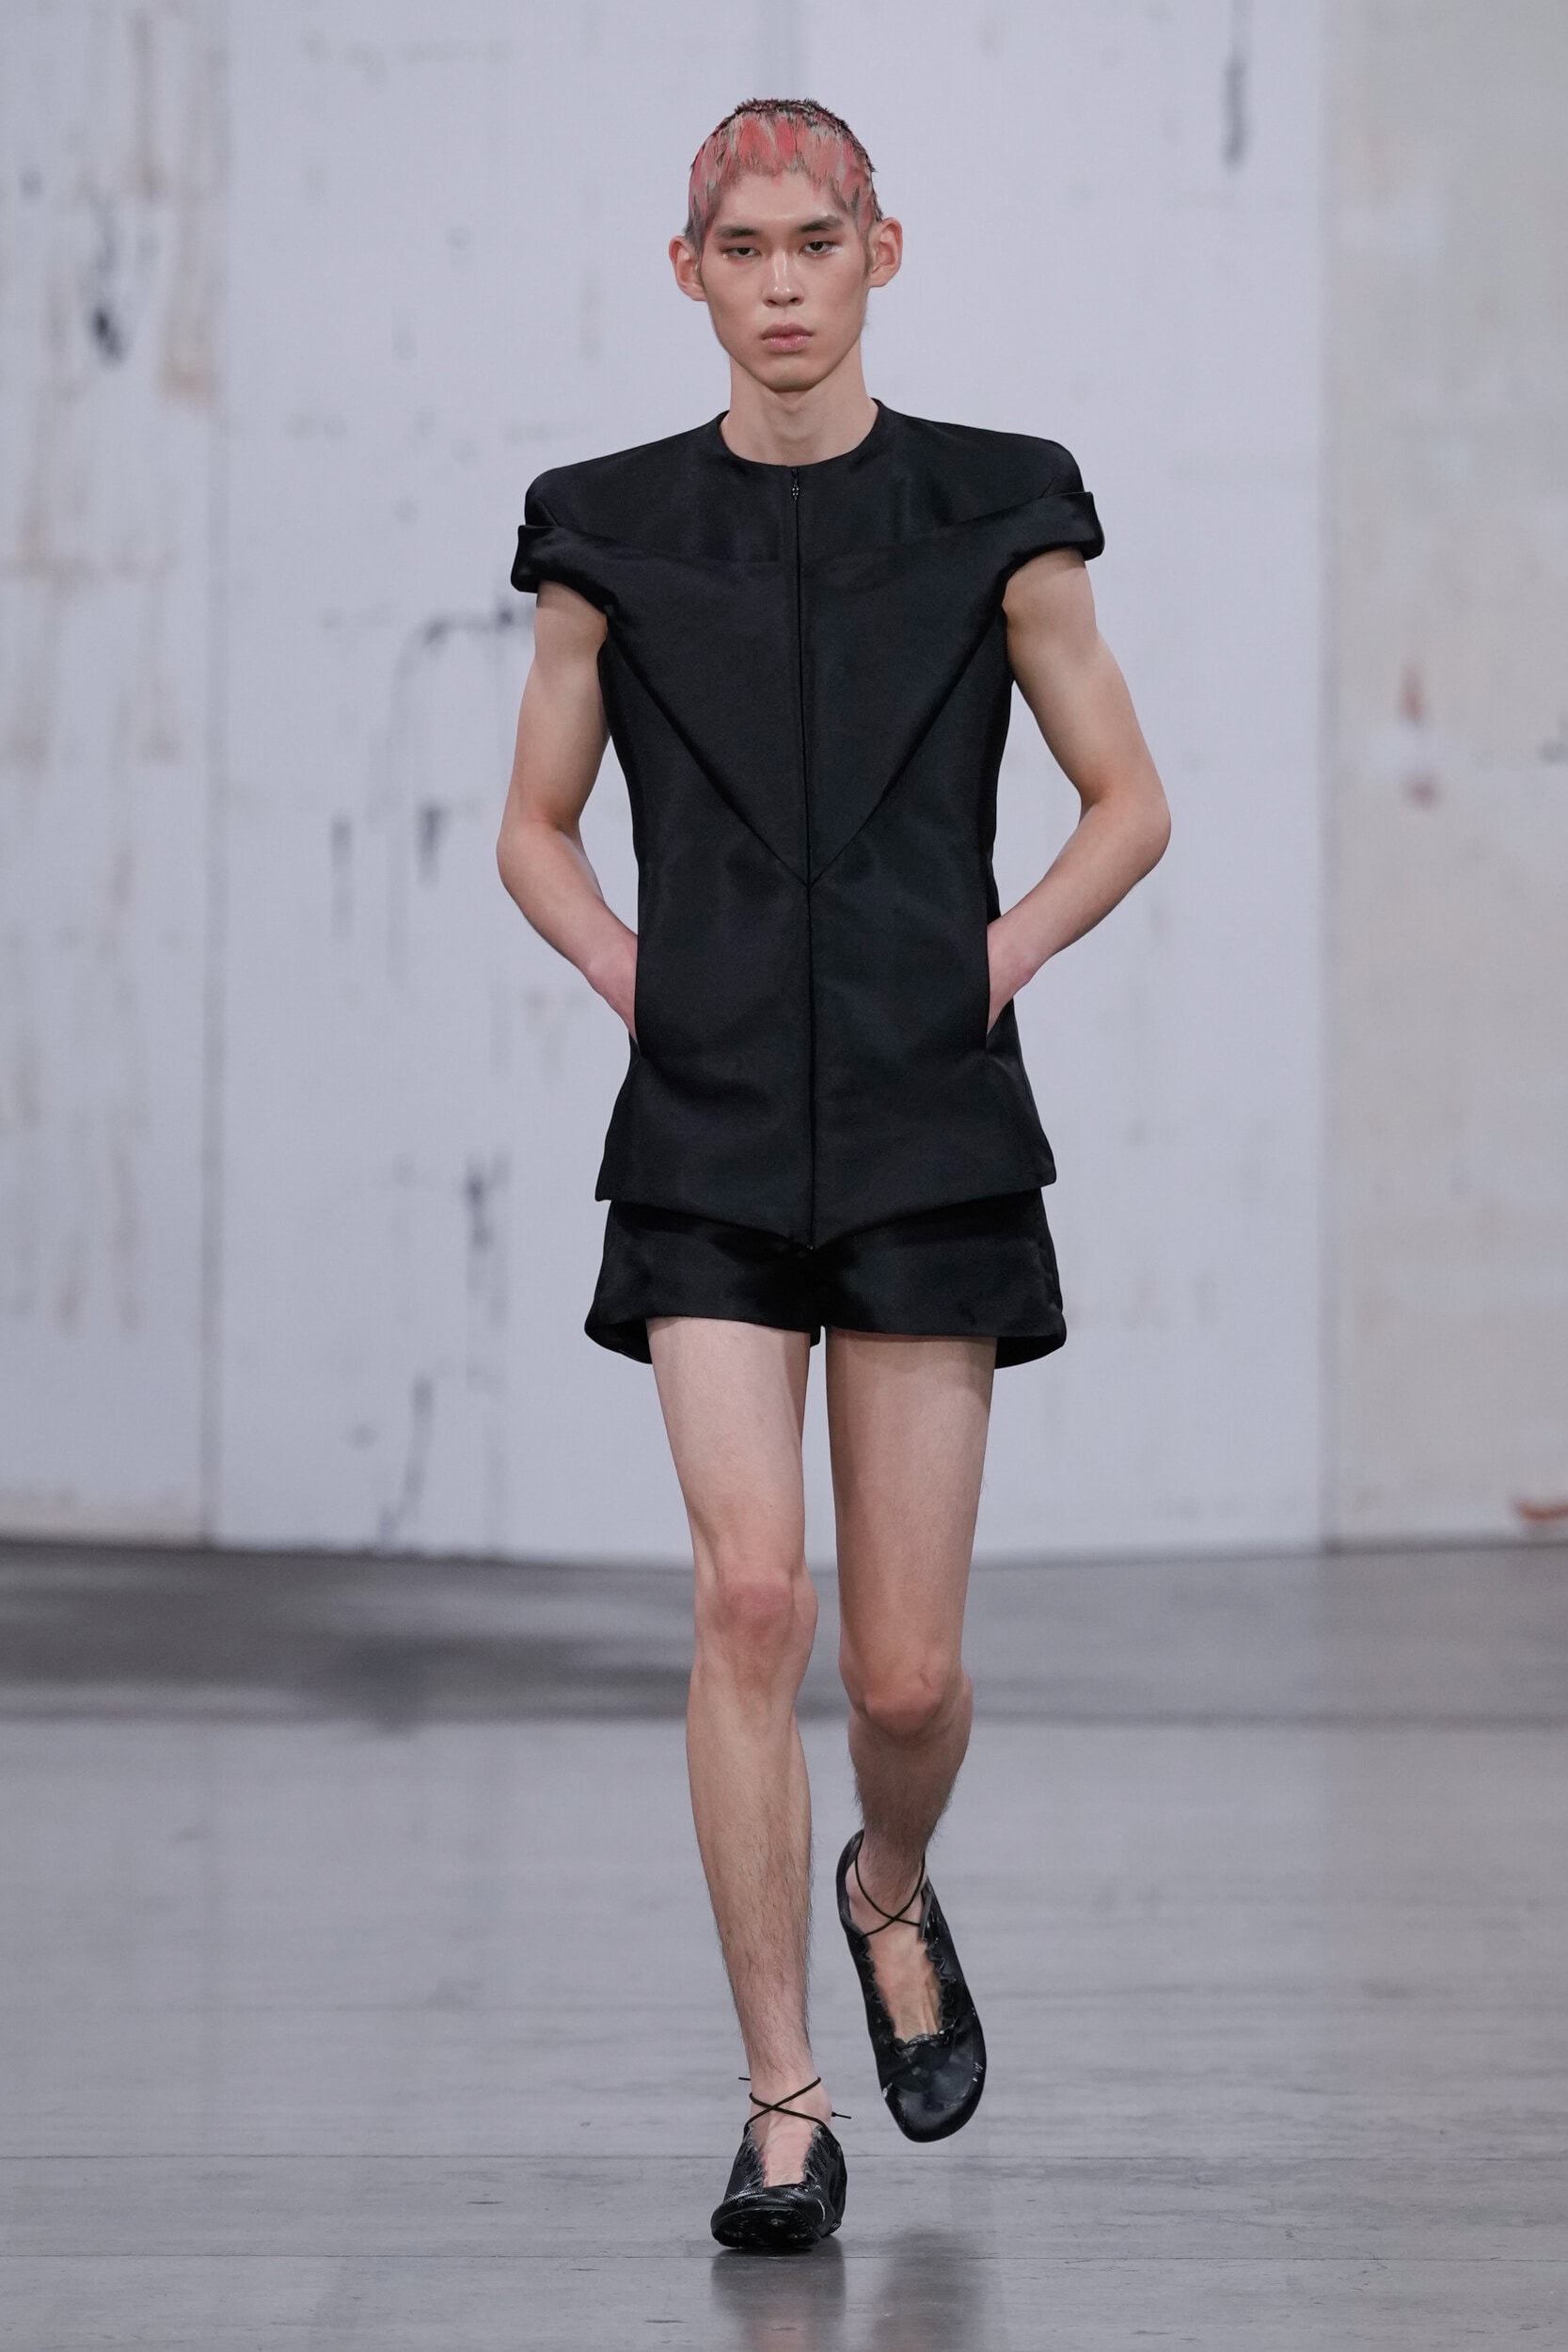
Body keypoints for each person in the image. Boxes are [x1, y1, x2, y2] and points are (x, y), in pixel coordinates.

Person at [497, 99, 1169, 2251]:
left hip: (924, 1118)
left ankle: (892, 1877)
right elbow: (533, 824)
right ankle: (784, 2098)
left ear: (884, 249)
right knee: (748, 1598)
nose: (781, 282)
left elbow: (1130, 797)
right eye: (743, 247)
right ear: (685, 268)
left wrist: (999, 952)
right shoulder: (605, 531)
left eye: (816, 240)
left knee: (899, 1675)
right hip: (706, 1123)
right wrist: (635, 972)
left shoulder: (1000, 508)